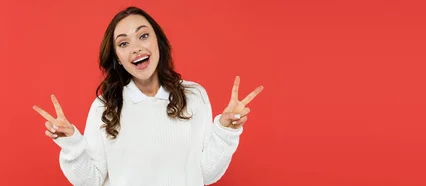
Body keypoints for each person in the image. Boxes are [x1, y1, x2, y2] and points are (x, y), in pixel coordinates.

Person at [31, 6, 263, 186]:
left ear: (158, 42)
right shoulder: (105, 107)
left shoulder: (194, 96)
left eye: (143, 36)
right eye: (123, 43)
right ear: (118, 58)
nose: (136, 48)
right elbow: (92, 180)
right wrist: (71, 143)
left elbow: (204, 174)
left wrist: (226, 130)